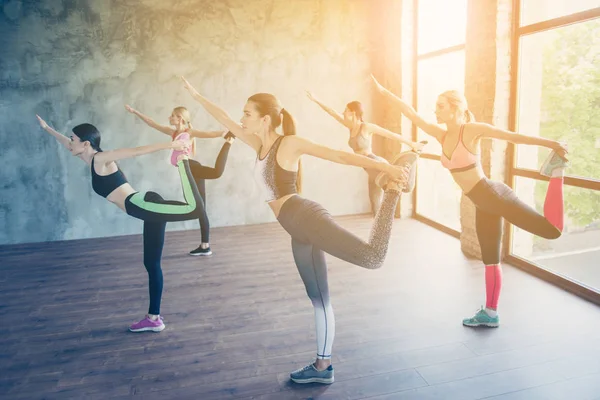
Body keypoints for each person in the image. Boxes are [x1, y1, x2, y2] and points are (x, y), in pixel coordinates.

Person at [180, 76, 417, 384]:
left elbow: (338, 155)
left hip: (306, 217)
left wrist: (385, 169)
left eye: (247, 113)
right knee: (317, 296)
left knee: (373, 258)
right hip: (296, 229)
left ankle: (393, 191)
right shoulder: (257, 142)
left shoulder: (288, 143)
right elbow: (224, 118)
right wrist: (196, 94)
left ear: (265, 118)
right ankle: (323, 367)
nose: (242, 118)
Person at [371, 74, 569, 328]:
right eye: (436, 107)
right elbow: (410, 113)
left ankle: (557, 169)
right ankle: (491, 312)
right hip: (481, 203)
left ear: (457, 108)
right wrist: (384, 93)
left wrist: (550, 144)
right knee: (490, 259)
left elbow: (511, 136)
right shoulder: (442, 136)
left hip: (494, 195)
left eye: (440, 106)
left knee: (551, 230)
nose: (435, 111)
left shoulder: (471, 131)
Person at [36, 114, 203, 333]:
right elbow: (64, 142)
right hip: (145, 208)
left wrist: (173, 145)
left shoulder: (102, 158)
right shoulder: (87, 157)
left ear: (86, 143)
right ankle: (154, 319)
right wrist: (47, 128)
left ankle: (182, 161)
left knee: (195, 209)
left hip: (142, 205)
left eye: (73, 139)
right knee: (151, 264)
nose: (69, 143)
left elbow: (136, 151)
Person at [125, 104, 236, 256]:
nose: (169, 118)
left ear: (180, 118)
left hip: (191, 167)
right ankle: (205, 246)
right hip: (189, 169)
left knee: (215, 175)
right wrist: (135, 111)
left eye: (172, 115)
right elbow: (153, 123)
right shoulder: (173, 132)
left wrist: (225, 134)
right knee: (201, 209)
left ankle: (229, 142)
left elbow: (209, 133)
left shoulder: (189, 132)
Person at [306, 91, 427, 214]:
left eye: (346, 110)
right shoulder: (350, 126)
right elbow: (332, 112)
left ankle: (412, 157)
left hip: (375, 162)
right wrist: (316, 100)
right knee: (375, 203)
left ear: (353, 112)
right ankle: (379, 230)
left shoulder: (366, 127)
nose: (343, 113)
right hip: (367, 167)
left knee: (401, 187)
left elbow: (390, 134)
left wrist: (411, 143)